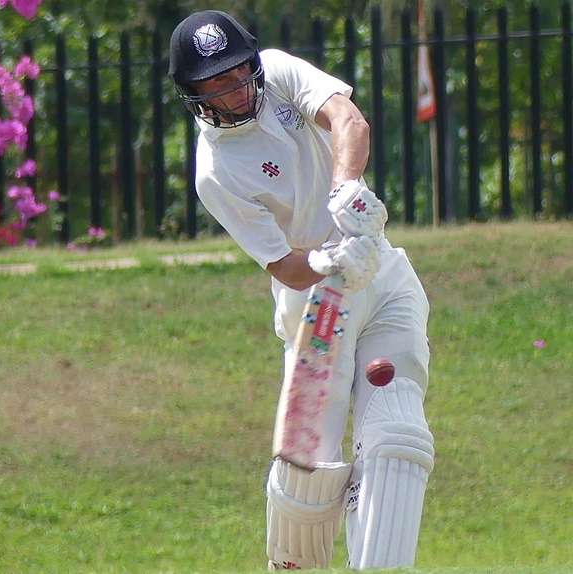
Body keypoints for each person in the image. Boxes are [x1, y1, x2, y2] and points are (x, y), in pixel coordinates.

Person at [168, 10, 434, 571]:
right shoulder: (215, 170)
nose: (234, 90)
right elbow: (284, 267)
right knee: (309, 457)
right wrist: (332, 257)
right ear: (192, 93)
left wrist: (347, 192)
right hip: (316, 300)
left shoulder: (279, 71)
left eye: (238, 73)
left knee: (394, 432)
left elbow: (347, 118)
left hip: (381, 270)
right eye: (214, 83)